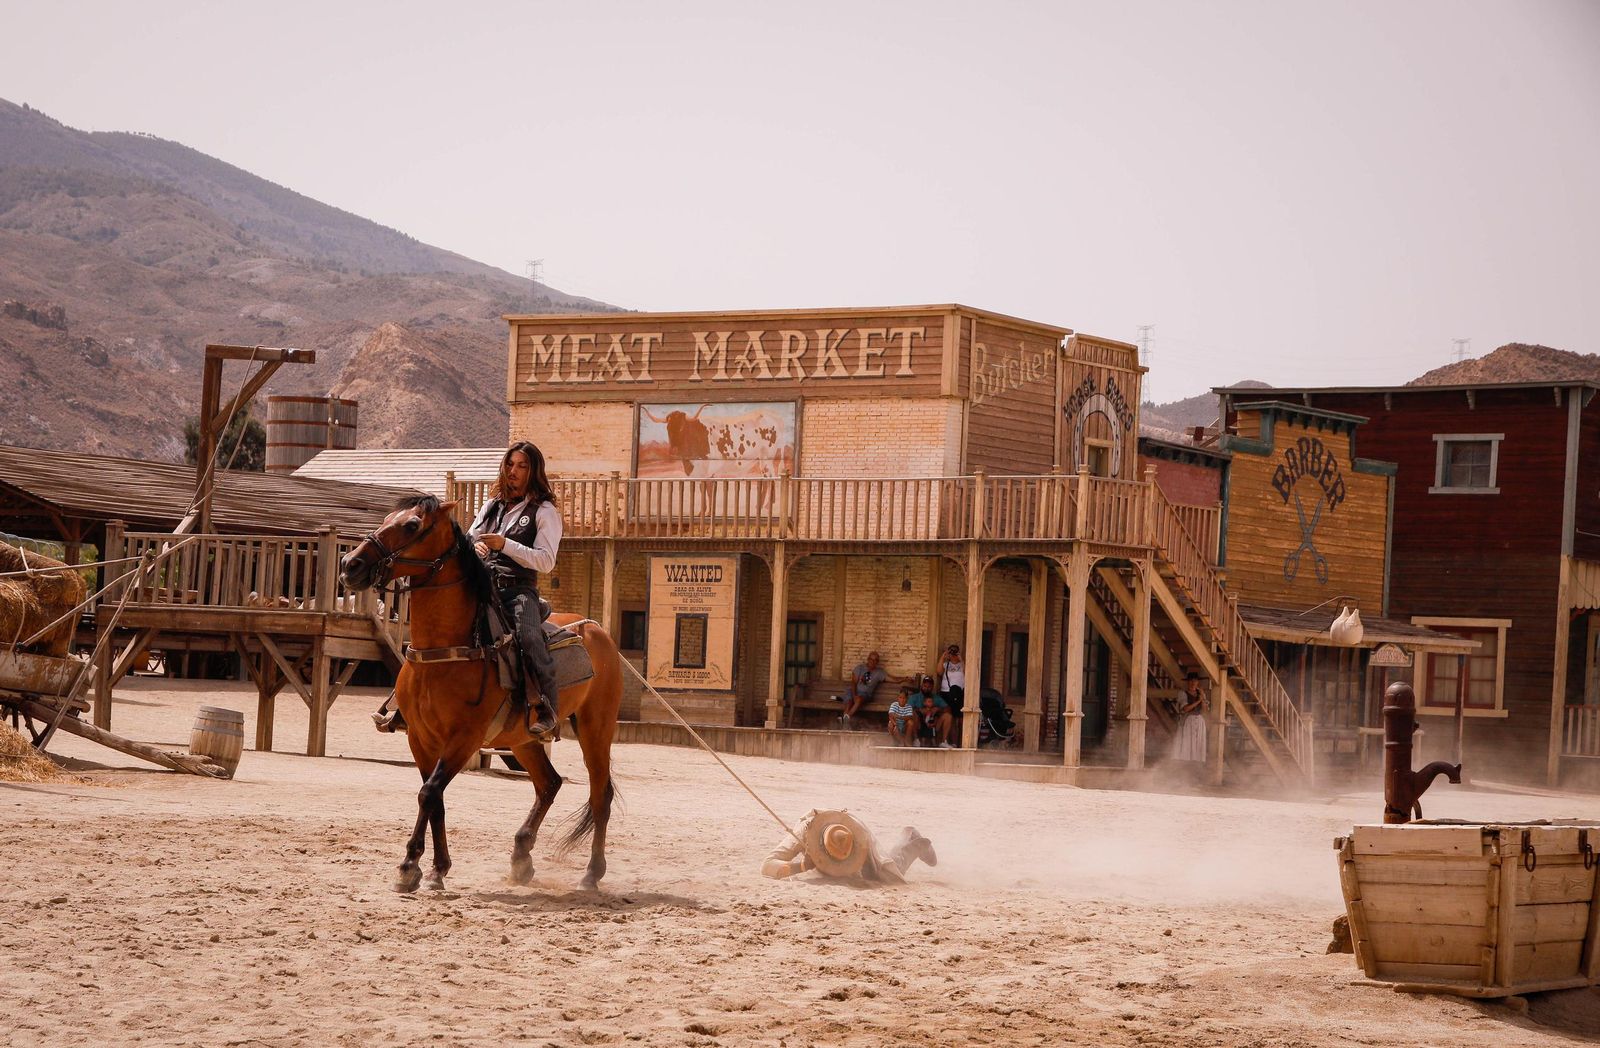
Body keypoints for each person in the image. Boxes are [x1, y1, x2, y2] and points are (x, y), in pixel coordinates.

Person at [470, 441, 564, 739]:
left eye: (522, 466)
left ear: (533, 471)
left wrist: (505, 544)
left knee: (528, 637)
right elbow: (470, 536)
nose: (513, 471)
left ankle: (548, 709)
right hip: (484, 585)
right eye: (510, 464)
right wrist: (477, 544)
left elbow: (546, 561)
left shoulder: (544, 511)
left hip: (518, 590)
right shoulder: (491, 505)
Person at [761, 809, 937, 884]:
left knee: (887, 871)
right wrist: (801, 866)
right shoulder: (804, 831)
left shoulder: (859, 839)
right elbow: (767, 865)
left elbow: (870, 873)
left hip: (860, 836)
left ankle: (912, 837)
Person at [842, 651, 900, 728]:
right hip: (853, 691)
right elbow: (853, 683)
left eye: (875, 660)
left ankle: (845, 720)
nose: (873, 661)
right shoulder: (860, 668)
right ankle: (845, 722)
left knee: (858, 699)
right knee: (849, 702)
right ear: (868, 659)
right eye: (871, 659)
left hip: (865, 695)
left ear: (877, 662)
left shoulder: (879, 672)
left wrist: (904, 679)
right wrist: (854, 695)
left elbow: (893, 679)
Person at [1171, 671, 1207, 768]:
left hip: (1199, 720)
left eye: (1195, 681)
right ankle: (1185, 767)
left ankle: (1195, 767)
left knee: (1198, 744)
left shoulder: (1201, 694)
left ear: (1197, 682)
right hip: (1188, 720)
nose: (1193, 683)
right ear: (1188, 682)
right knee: (1186, 743)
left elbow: (1205, 710)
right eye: (1191, 681)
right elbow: (1185, 708)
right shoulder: (1183, 693)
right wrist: (1198, 701)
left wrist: (1202, 698)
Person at [910, 675, 955, 748]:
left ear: (932, 687)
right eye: (925, 686)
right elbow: (907, 709)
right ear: (922, 686)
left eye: (929, 686)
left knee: (948, 716)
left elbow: (948, 709)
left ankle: (944, 742)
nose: (926, 688)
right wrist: (920, 710)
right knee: (912, 713)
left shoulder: (936, 698)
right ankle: (916, 740)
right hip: (919, 724)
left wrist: (938, 709)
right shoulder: (914, 697)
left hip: (934, 724)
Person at [937, 644, 966, 711]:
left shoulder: (962, 664)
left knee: (958, 711)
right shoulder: (945, 664)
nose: (953, 654)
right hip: (946, 691)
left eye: (955, 652)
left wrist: (961, 659)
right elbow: (939, 672)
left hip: (958, 692)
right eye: (951, 652)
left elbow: (967, 673)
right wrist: (943, 656)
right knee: (947, 711)